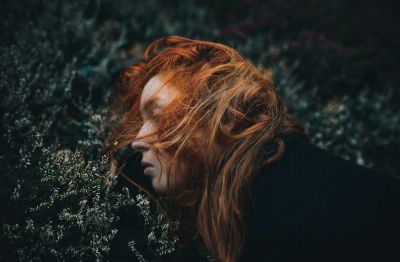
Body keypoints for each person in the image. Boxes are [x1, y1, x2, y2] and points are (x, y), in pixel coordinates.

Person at [106, 35, 400, 262]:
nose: (138, 140)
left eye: (158, 116)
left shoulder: (290, 221)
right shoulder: (272, 183)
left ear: (225, 118)